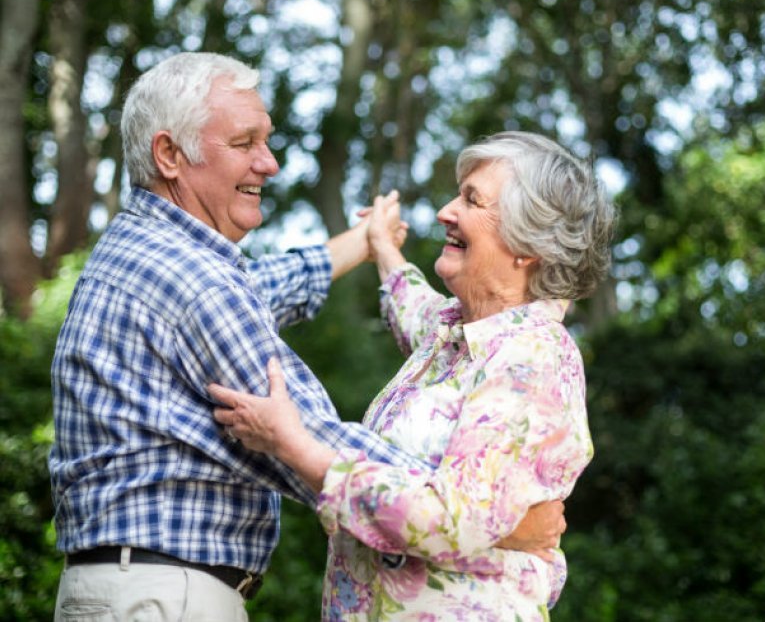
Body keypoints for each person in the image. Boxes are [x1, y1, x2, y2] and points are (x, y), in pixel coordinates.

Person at [48, 53, 560, 622]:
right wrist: (487, 516)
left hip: (133, 589)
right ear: (169, 154)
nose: (268, 163)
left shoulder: (148, 251)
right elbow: (306, 434)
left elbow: (259, 288)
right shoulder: (195, 282)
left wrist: (370, 245)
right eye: (244, 143)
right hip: (164, 597)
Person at [210, 131, 617, 620]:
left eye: (472, 200)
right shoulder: (454, 334)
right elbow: (413, 306)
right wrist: (382, 247)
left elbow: (453, 519)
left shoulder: (531, 356)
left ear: (527, 245)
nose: (446, 210)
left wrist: (294, 446)